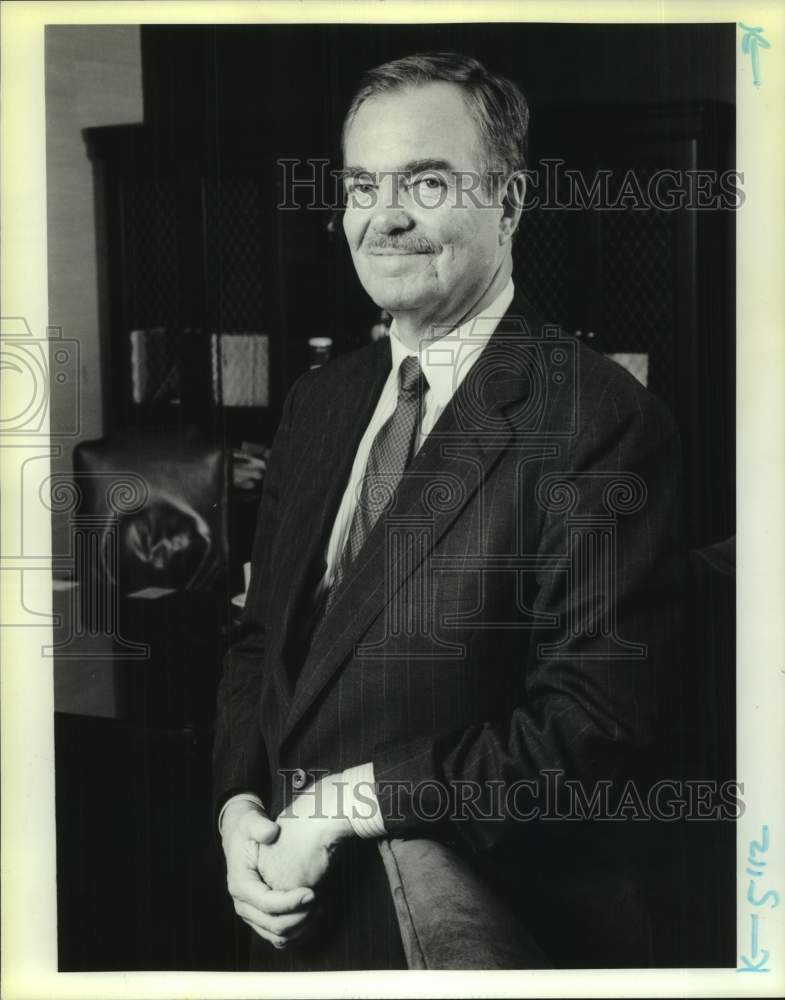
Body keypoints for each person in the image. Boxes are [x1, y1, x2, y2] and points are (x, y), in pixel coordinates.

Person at [212, 52, 684, 971]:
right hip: (281, 908)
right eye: (360, 186)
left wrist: (344, 804)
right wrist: (237, 808)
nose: (383, 217)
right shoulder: (320, 402)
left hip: (468, 920)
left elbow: (590, 734)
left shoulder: (597, 419)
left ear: (508, 203)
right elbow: (258, 643)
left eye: (425, 183)